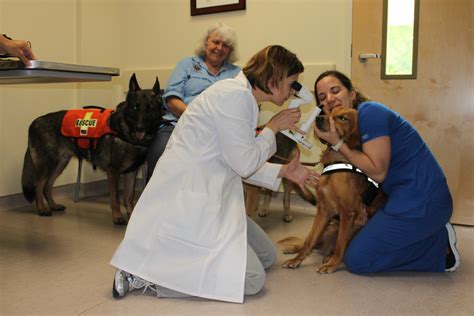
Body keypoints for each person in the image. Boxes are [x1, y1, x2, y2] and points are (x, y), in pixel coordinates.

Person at [110, 45, 319, 303]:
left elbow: (236, 162)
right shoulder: (233, 97)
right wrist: (273, 128)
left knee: (267, 255)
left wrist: (285, 171)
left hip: (212, 192)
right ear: (273, 78)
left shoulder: (243, 98)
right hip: (190, 201)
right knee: (252, 280)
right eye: (292, 83)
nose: (292, 91)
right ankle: (149, 278)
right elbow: (244, 164)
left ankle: (177, 267)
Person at [313, 70, 460, 274]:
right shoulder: (354, 130)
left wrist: (337, 144)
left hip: (423, 199)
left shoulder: (370, 113)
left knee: (358, 260)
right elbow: (369, 177)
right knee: (360, 245)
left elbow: (378, 172)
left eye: (335, 90)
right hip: (401, 198)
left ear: (352, 93)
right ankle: (425, 233)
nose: (329, 99)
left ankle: (438, 247)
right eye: (322, 97)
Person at [146, 22, 241, 181]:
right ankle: (153, 203)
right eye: (215, 42)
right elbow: (171, 98)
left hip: (219, 131)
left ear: (230, 51)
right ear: (206, 43)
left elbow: (242, 104)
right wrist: (195, 117)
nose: (219, 47)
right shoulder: (187, 64)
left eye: (225, 45)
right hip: (180, 123)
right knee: (160, 154)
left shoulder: (236, 73)